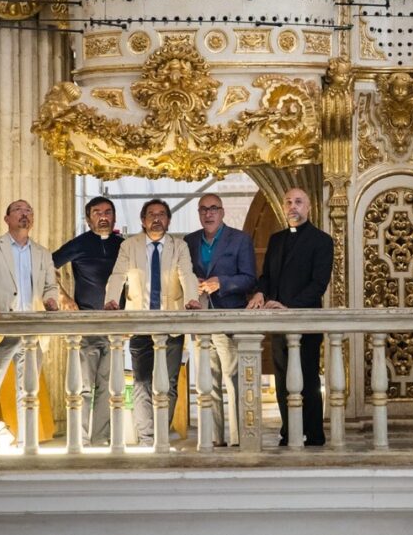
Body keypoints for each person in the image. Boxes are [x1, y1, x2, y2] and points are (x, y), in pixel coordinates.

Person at [105, 199, 199, 446]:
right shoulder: (130, 246)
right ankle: (147, 439)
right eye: (151, 214)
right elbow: (118, 275)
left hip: (171, 324)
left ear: (168, 220)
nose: (156, 218)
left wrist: (192, 299)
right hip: (140, 323)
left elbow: (187, 274)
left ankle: (160, 436)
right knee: (142, 383)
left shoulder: (179, 246)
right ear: (142, 220)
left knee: (168, 383)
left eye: (161, 214)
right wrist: (112, 301)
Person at [0, 199, 59, 445]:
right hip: (1, 327)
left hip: (32, 329)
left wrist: (51, 300)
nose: (24, 214)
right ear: (7, 218)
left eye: (29, 210)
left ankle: (26, 442)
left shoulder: (42, 252)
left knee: (28, 391)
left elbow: (51, 285)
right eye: (18, 210)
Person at [247, 188, 334, 447]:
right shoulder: (276, 239)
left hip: (305, 321)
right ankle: (289, 432)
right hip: (277, 322)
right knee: (282, 381)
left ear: (308, 208)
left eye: (298, 202)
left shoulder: (322, 240)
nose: (292, 206)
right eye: (288, 202)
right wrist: (260, 294)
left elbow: (318, 284)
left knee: (307, 380)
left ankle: (315, 435)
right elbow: (267, 278)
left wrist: (288, 306)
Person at [184, 193, 257, 447]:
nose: (208, 213)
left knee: (233, 379)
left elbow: (249, 278)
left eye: (213, 208)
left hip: (228, 315)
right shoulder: (189, 241)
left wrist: (222, 282)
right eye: (203, 209)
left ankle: (239, 438)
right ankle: (215, 438)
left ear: (222, 212)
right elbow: (183, 273)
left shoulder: (240, 240)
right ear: (199, 213)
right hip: (200, 317)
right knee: (208, 382)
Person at [52, 197, 124, 446]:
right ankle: (79, 439)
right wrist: (63, 296)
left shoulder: (123, 245)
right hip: (86, 324)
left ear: (114, 217)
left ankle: (101, 438)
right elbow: (46, 267)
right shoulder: (79, 244)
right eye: (97, 212)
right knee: (82, 387)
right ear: (88, 218)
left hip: (115, 326)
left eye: (108, 212)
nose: (103, 216)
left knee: (108, 387)